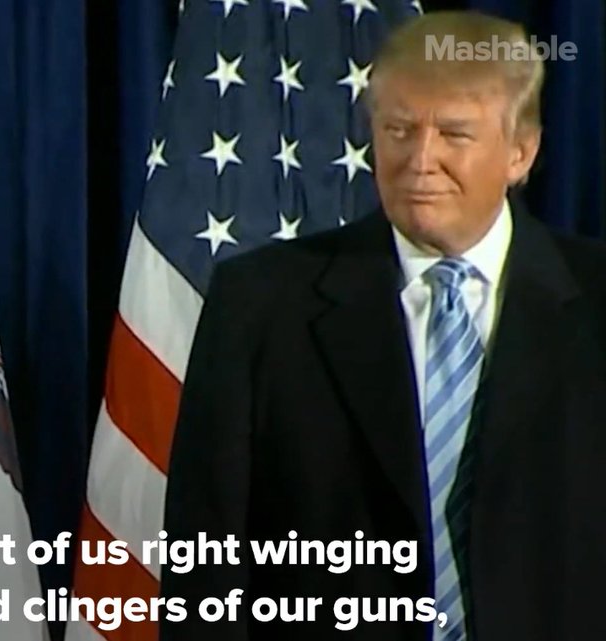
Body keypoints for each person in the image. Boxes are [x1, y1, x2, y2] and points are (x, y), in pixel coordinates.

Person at [159, 11, 606, 641]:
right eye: (398, 130)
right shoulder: (261, 304)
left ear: (520, 152)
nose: (420, 160)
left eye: (454, 134)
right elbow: (207, 561)